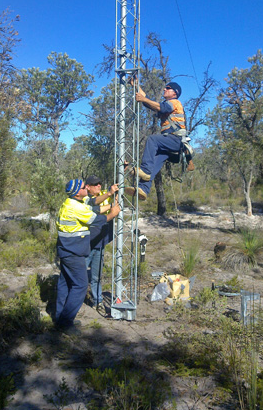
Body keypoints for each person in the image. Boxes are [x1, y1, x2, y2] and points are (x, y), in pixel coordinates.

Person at [55, 178, 120, 329]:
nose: (87, 189)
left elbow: (93, 206)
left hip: (65, 250)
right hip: (73, 252)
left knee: (65, 284)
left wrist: (110, 204)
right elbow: (97, 219)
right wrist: (113, 213)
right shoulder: (75, 208)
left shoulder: (72, 202)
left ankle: (60, 318)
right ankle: (65, 324)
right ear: (78, 192)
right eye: (84, 187)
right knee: (81, 285)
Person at [125, 81, 187, 200]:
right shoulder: (167, 104)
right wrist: (137, 86)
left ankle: (144, 170)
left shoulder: (174, 103)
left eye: (167, 88)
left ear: (175, 93)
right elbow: (148, 103)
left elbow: (160, 107)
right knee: (153, 164)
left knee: (152, 140)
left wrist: (144, 99)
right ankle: (143, 189)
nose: (164, 89)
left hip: (175, 140)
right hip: (168, 144)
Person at [84, 175, 118, 315]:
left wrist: (123, 170)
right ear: (88, 187)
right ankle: (73, 298)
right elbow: (93, 203)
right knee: (79, 273)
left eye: (99, 183)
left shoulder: (103, 194)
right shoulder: (84, 200)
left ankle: (97, 301)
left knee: (96, 276)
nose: (98, 186)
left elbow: (115, 188)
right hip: (85, 245)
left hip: (99, 244)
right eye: (95, 184)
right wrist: (110, 198)